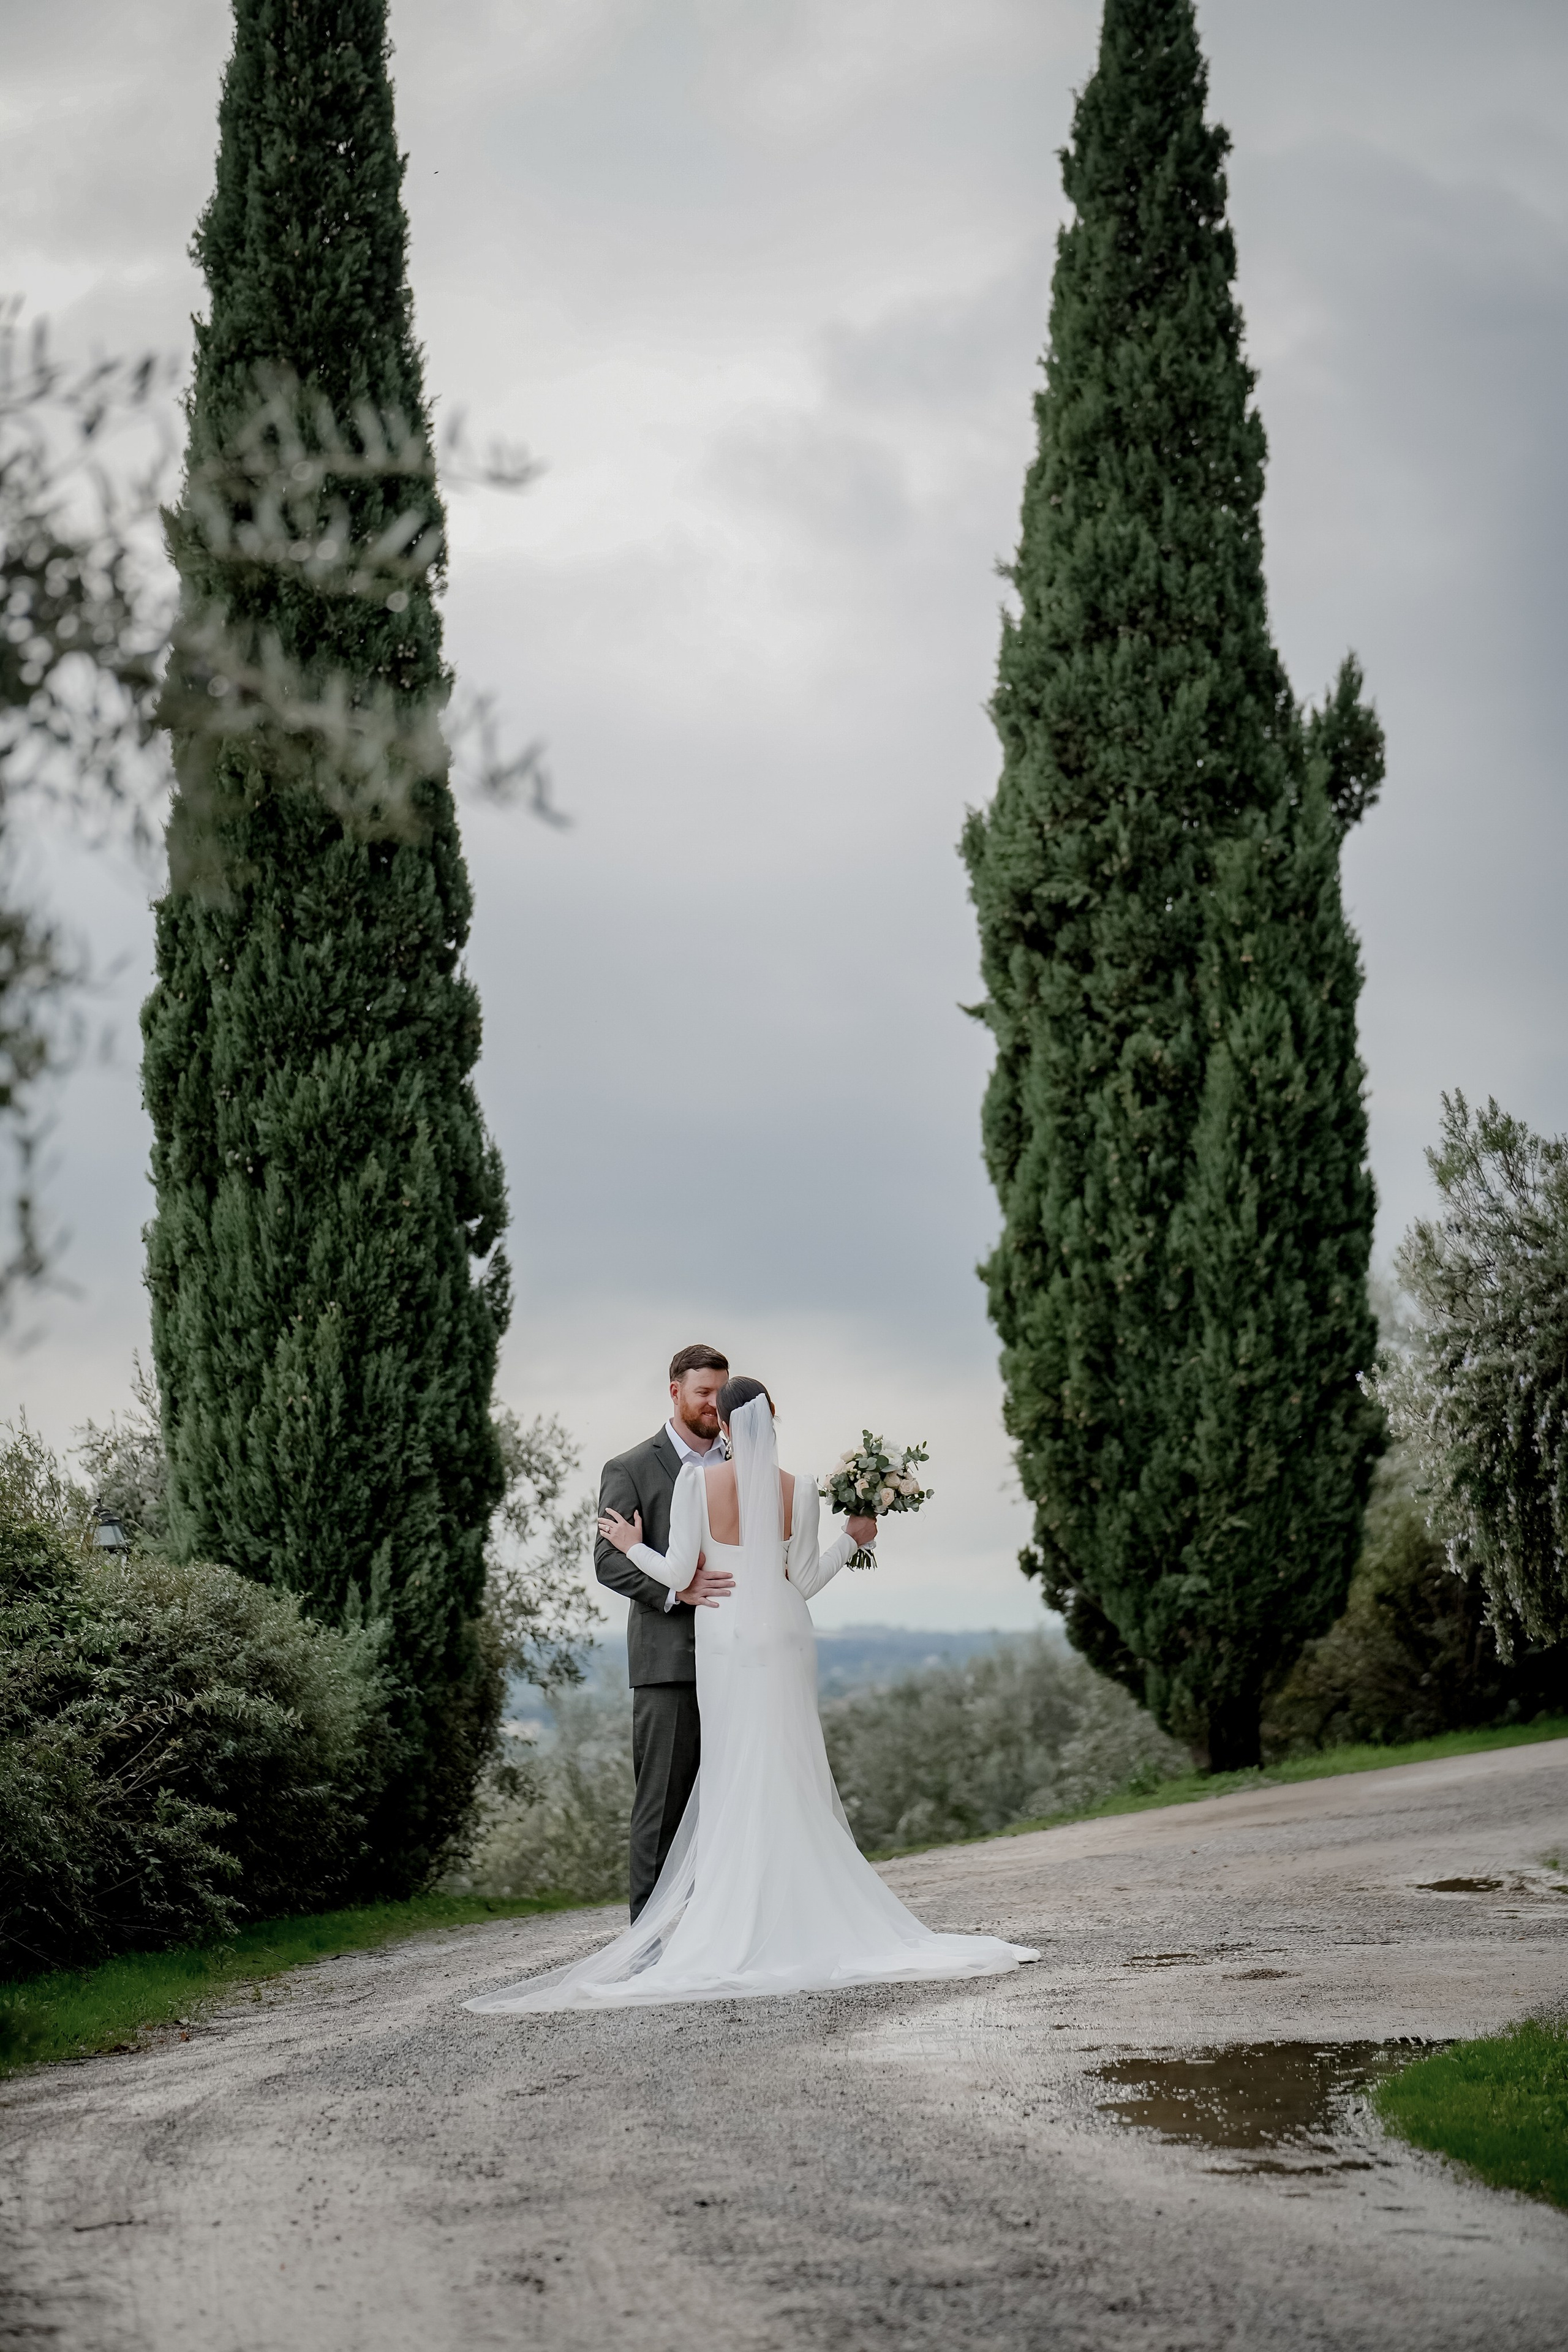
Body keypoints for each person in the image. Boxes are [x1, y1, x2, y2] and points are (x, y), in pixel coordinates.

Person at [466, 1379, 1038, 2013]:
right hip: (787, 1635)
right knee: (788, 1764)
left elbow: (682, 1574)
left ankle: (738, 1915)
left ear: (730, 1427)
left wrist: (633, 1547)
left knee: (736, 1768)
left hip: (727, 1636)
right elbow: (807, 1579)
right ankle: (798, 1908)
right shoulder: (801, 1489)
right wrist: (853, 1539)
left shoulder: (697, 1484)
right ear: (772, 1420)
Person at [589, 1344, 875, 1920]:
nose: (711, 1404)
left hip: (741, 1657)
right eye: (702, 1393)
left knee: (740, 1792)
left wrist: (655, 1558)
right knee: (664, 1803)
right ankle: (649, 1932)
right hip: (670, 1661)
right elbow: (606, 1561)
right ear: (676, 1392)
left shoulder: (734, 1474)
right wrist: (679, 1593)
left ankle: (723, 1918)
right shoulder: (630, 1468)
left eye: (719, 1395)